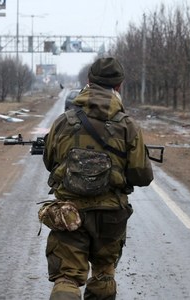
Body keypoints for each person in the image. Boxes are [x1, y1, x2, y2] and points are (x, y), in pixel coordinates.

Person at [42, 57, 154, 300]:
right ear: (119, 86)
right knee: (104, 273)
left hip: (69, 213)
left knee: (67, 277)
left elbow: (50, 162)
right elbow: (142, 176)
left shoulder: (64, 121)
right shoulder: (128, 126)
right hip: (110, 215)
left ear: (89, 82)